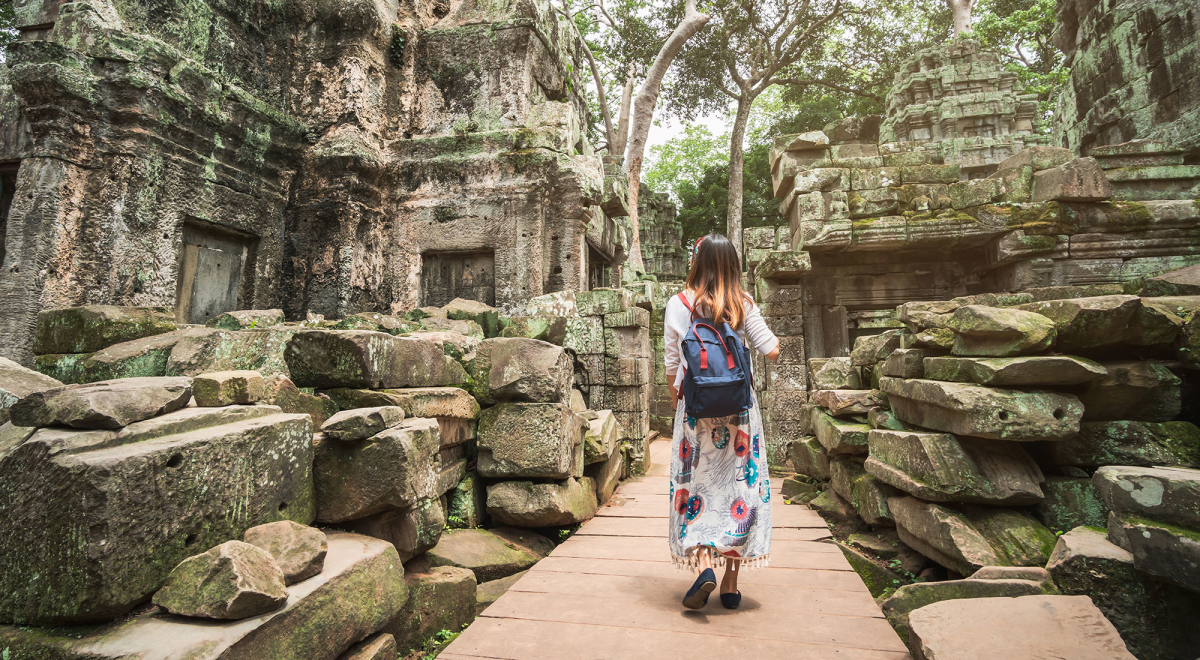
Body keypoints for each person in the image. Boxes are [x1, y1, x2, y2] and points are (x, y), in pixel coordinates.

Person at [664, 233, 780, 610]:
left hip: (695, 413)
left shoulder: (678, 304)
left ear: (696, 263)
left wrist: (678, 405)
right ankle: (731, 584)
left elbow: (671, 366)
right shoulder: (742, 304)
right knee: (739, 490)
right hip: (740, 416)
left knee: (696, 487)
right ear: (733, 265)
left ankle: (702, 566)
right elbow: (772, 350)